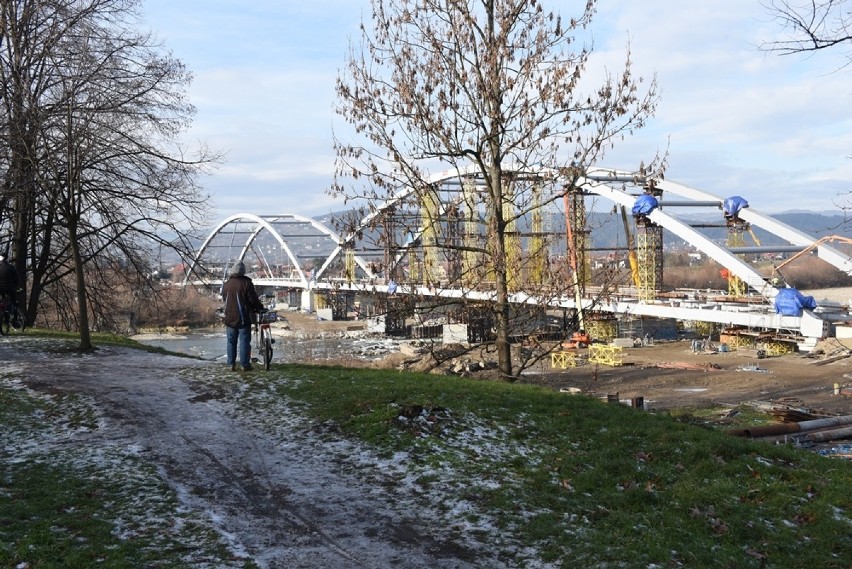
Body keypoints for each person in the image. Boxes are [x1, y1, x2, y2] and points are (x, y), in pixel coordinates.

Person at [221, 261, 265, 371]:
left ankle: (231, 364)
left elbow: (224, 300)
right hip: (243, 318)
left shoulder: (226, 285)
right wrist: (260, 308)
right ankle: (244, 365)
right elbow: (253, 299)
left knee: (231, 341)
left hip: (229, 317)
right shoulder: (246, 283)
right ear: (243, 271)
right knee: (244, 341)